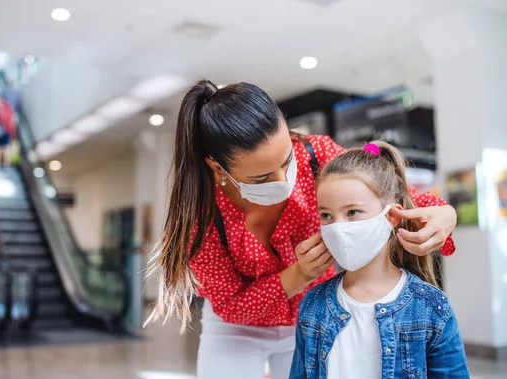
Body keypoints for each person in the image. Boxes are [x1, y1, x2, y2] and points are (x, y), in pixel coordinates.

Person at [144, 80, 458, 379]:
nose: (284, 181)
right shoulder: (201, 217)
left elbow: (389, 196)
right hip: (236, 327)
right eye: (262, 178)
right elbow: (231, 305)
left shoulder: (316, 155)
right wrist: (300, 273)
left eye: (287, 160)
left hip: (315, 315)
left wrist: (444, 213)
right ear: (218, 167)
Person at [290, 142, 469, 379]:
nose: (338, 227)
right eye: (326, 215)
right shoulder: (313, 305)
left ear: (392, 217)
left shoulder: (431, 308)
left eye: (353, 212)